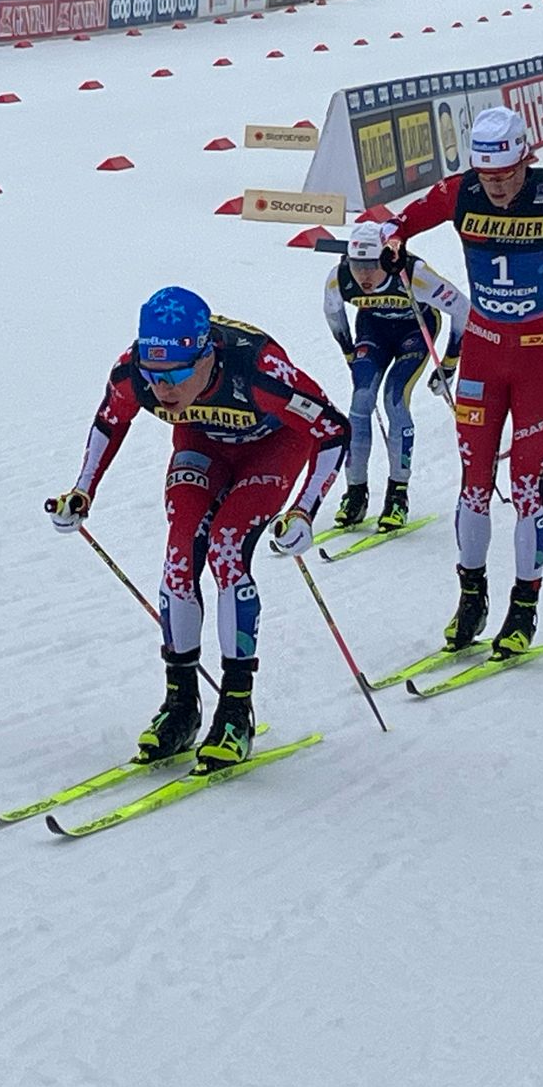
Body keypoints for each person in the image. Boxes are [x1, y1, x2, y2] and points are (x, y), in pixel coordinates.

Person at [49, 288, 347, 772]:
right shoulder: (134, 372)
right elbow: (110, 420)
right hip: (202, 445)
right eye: (154, 375)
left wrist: (306, 510)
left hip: (272, 449)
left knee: (227, 549)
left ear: (207, 354)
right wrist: (83, 489)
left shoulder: (260, 371)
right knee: (180, 554)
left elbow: (332, 429)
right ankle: (181, 706)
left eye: (179, 374)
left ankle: (235, 712)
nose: (164, 390)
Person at [389, 107, 543, 658]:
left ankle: (524, 606)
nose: (496, 188)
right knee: (474, 482)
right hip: (481, 352)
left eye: (506, 175)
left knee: (526, 487)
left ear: (526, 159)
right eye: (488, 177)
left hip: (540, 355)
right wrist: (392, 244)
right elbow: (394, 224)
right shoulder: (460, 191)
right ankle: (470, 597)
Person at [323, 221, 470, 531]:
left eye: (371, 266)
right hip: (373, 331)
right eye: (356, 265)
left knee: (395, 401)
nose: (363, 275)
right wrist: (350, 353)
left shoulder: (412, 273)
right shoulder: (340, 279)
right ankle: (355, 493)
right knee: (359, 405)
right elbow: (333, 313)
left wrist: (449, 361)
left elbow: (462, 308)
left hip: (414, 334)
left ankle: (398, 495)